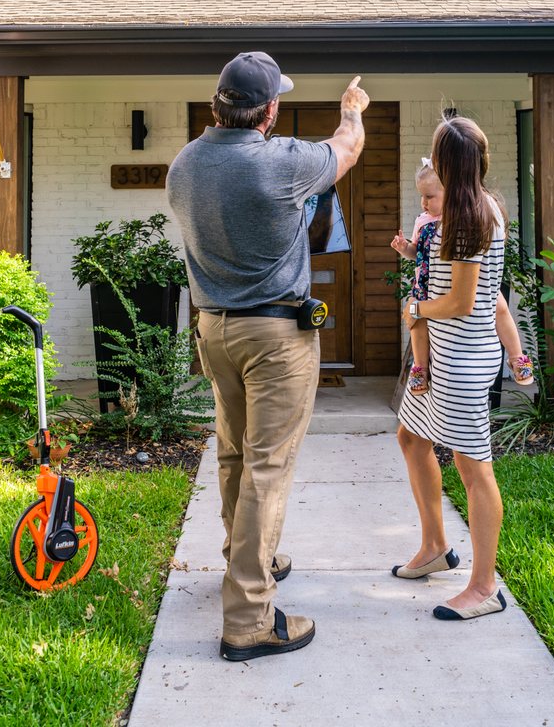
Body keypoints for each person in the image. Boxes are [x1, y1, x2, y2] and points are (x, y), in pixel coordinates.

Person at [166, 52, 369, 660]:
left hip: (212, 330)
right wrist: (350, 110)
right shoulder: (281, 163)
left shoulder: (183, 166)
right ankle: (249, 617)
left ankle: (244, 558)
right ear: (270, 110)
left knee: (233, 454)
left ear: (217, 103)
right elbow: (347, 149)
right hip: (275, 337)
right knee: (266, 469)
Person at [393, 116, 508, 621]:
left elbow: (462, 302)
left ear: (449, 165)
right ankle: (437, 546)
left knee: (471, 467)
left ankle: (484, 587)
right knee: (411, 438)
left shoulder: (471, 218)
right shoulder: (460, 213)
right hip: (443, 352)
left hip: (463, 356)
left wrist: (416, 310)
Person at [391, 160, 534, 396]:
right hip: (427, 284)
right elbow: (417, 252)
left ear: (449, 192)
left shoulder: (462, 218)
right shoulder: (423, 221)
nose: (424, 203)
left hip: (469, 286)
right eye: (421, 197)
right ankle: (420, 369)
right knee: (417, 322)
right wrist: (404, 247)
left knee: (501, 307)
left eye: (430, 196)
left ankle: (517, 357)